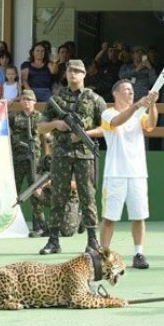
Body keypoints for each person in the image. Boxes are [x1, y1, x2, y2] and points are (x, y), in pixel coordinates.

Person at [37, 60, 107, 255]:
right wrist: (57, 124)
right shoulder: (56, 99)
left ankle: (92, 240)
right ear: (66, 74)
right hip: (61, 153)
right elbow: (41, 127)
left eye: (77, 71)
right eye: (70, 71)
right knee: (58, 196)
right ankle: (53, 241)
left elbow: (106, 128)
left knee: (88, 196)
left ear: (84, 74)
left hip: (85, 154)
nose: (73, 74)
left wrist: (86, 134)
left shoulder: (95, 99)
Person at [100, 80, 159, 269]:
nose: (131, 93)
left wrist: (152, 105)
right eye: (127, 90)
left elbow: (151, 125)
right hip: (115, 174)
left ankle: (139, 253)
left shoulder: (138, 114)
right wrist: (136, 106)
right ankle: (104, 255)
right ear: (116, 93)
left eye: (132, 90)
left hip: (137, 172)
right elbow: (117, 122)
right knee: (109, 217)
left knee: (139, 216)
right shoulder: (108, 113)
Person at [10, 90, 49, 237]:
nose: (26, 101)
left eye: (29, 99)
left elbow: (46, 137)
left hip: (36, 160)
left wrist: (47, 156)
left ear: (34, 101)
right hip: (19, 158)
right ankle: (12, 222)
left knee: (35, 191)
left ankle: (40, 225)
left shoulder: (40, 117)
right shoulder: (15, 117)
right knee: (15, 190)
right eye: (24, 99)